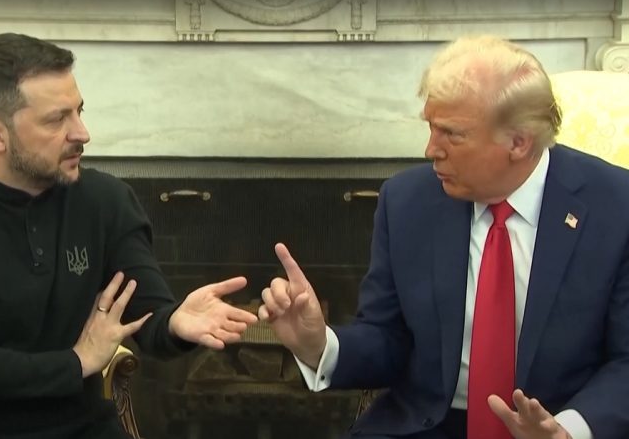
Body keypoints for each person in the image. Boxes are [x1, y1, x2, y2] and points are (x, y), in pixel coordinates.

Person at [0, 33, 257, 439]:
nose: (82, 133)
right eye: (56, 120)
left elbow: (146, 317)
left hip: (79, 427)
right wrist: (76, 363)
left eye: (79, 111)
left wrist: (176, 323)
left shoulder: (106, 202)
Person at [260, 35, 629, 439]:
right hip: (428, 425)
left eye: (452, 134)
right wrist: (319, 345)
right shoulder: (407, 201)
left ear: (518, 142)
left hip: (558, 424)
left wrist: (569, 430)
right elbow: (388, 338)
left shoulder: (616, 207)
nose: (430, 149)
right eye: (431, 128)